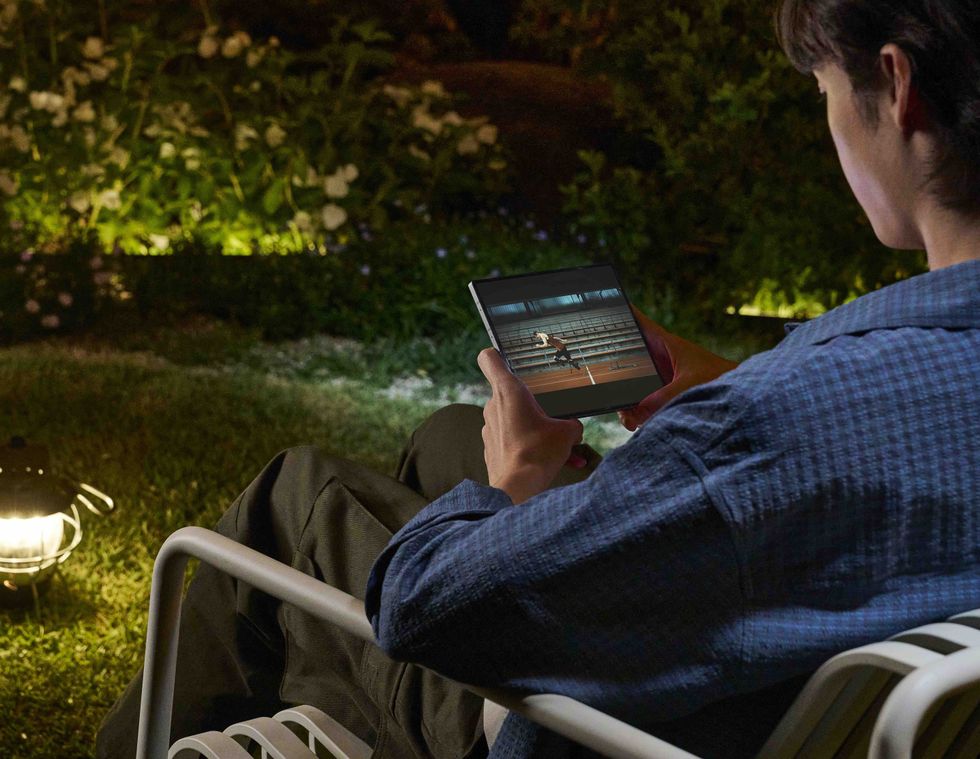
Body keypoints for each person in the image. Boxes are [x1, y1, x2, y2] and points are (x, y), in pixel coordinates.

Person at [98, 1, 980, 757]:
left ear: (897, 86)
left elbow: (426, 605)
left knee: (297, 497)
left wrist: (517, 483)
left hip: (594, 725)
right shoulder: (895, 381)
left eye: (825, 90)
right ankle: (333, 708)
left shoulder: (761, 435)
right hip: (775, 671)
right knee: (448, 435)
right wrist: (724, 382)